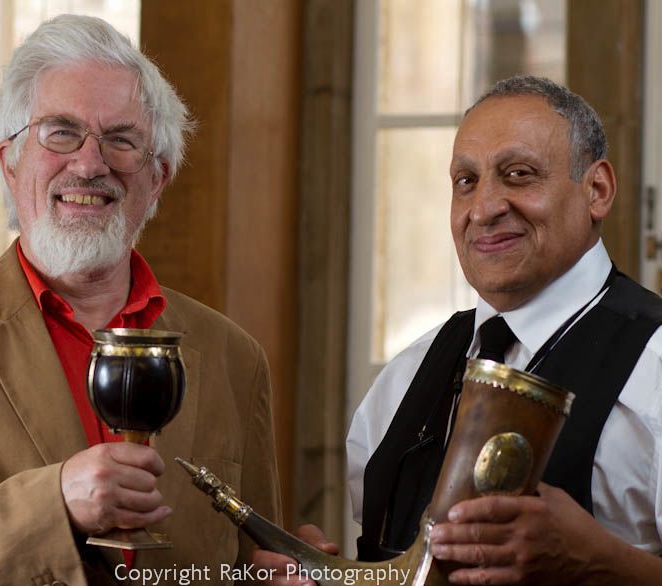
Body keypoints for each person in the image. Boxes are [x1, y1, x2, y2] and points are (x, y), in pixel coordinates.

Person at [0, 14, 281, 586]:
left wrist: (272, 574)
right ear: (10, 162)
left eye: (122, 139)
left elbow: (245, 560)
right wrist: (52, 504)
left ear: (158, 178)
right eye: (61, 132)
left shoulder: (235, 357)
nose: (89, 164)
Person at [257, 75, 662, 585]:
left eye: (518, 175)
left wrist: (600, 562)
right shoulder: (403, 378)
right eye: (466, 181)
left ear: (596, 190)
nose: (483, 209)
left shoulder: (655, 366)